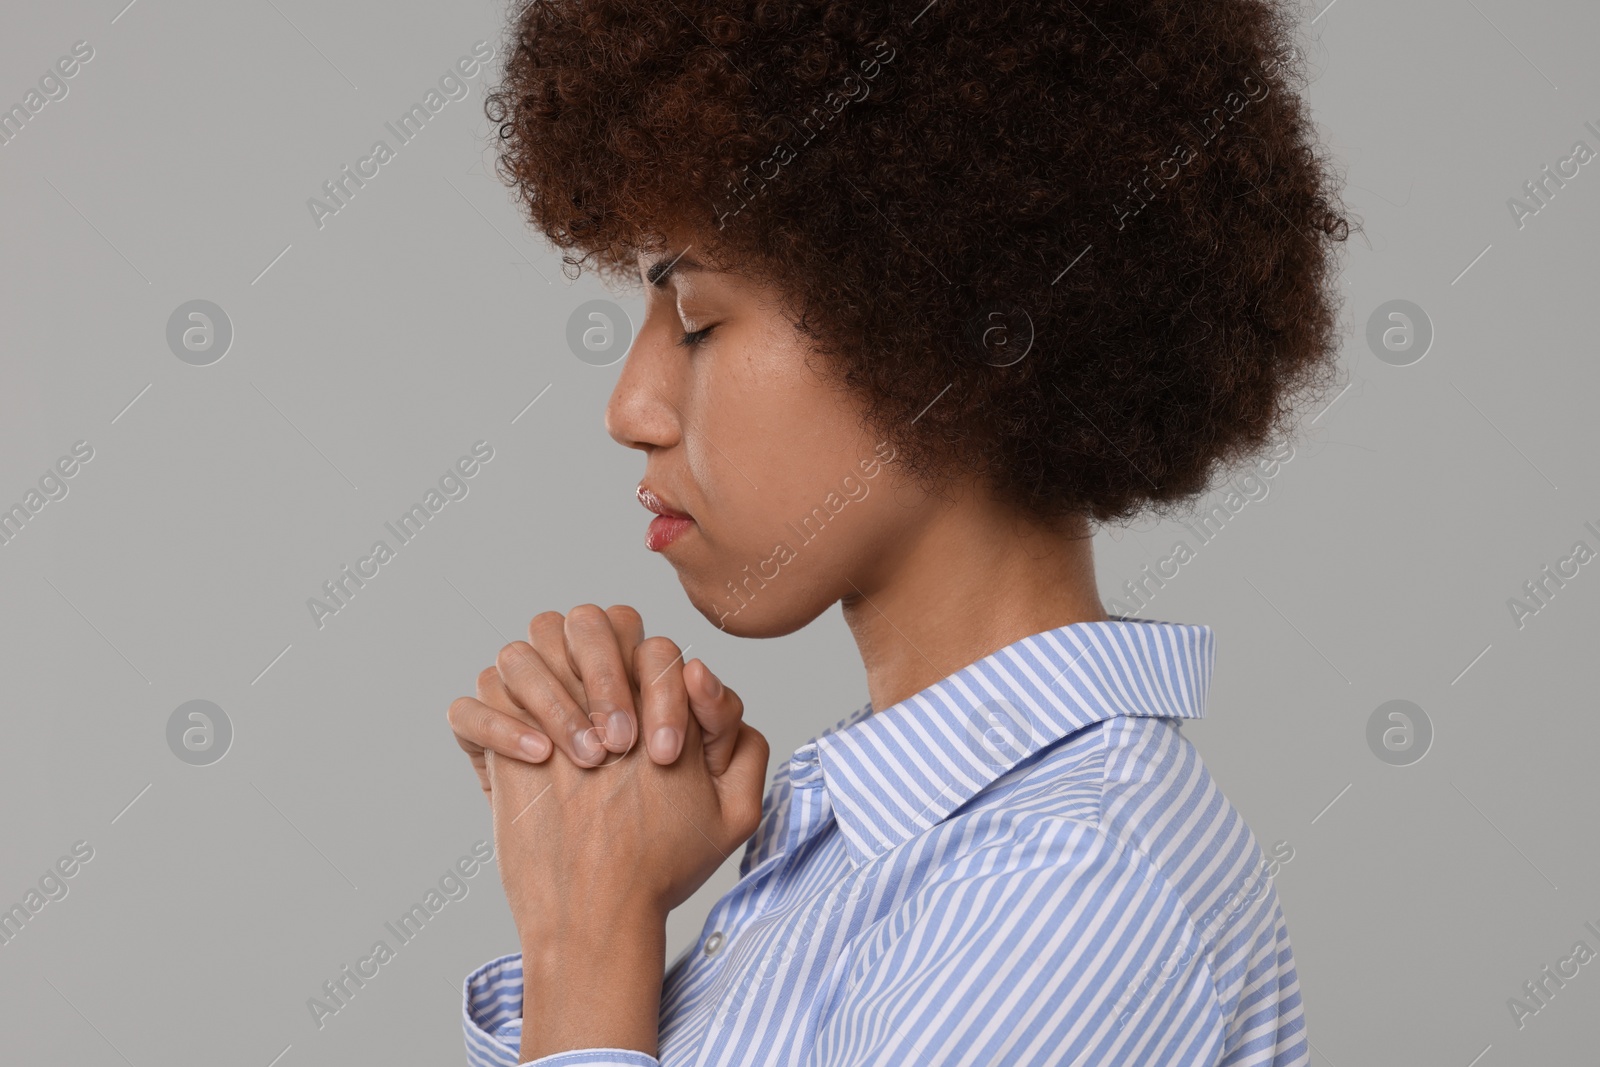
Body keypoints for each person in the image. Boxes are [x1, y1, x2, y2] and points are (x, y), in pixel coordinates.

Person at [445, 1, 1350, 1063]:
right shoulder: (887, 856)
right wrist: (597, 867)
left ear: (945, 331)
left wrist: (586, 938)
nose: (629, 407)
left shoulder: (1057, 889)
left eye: (695, 320)